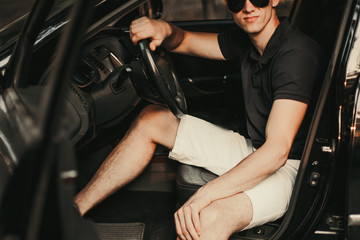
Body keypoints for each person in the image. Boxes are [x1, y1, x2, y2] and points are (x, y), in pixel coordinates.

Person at [74, 0, 324, 239]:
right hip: (257, 149)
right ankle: (73, 211)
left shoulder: (295, 53)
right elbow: (184, 41)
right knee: (153, 119)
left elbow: (277, 152)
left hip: (293, 170)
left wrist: (205, 195)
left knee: (206, 221)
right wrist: (164, 29)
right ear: (228, 4)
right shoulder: (247, 42)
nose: (248, 7)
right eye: (237, 1)